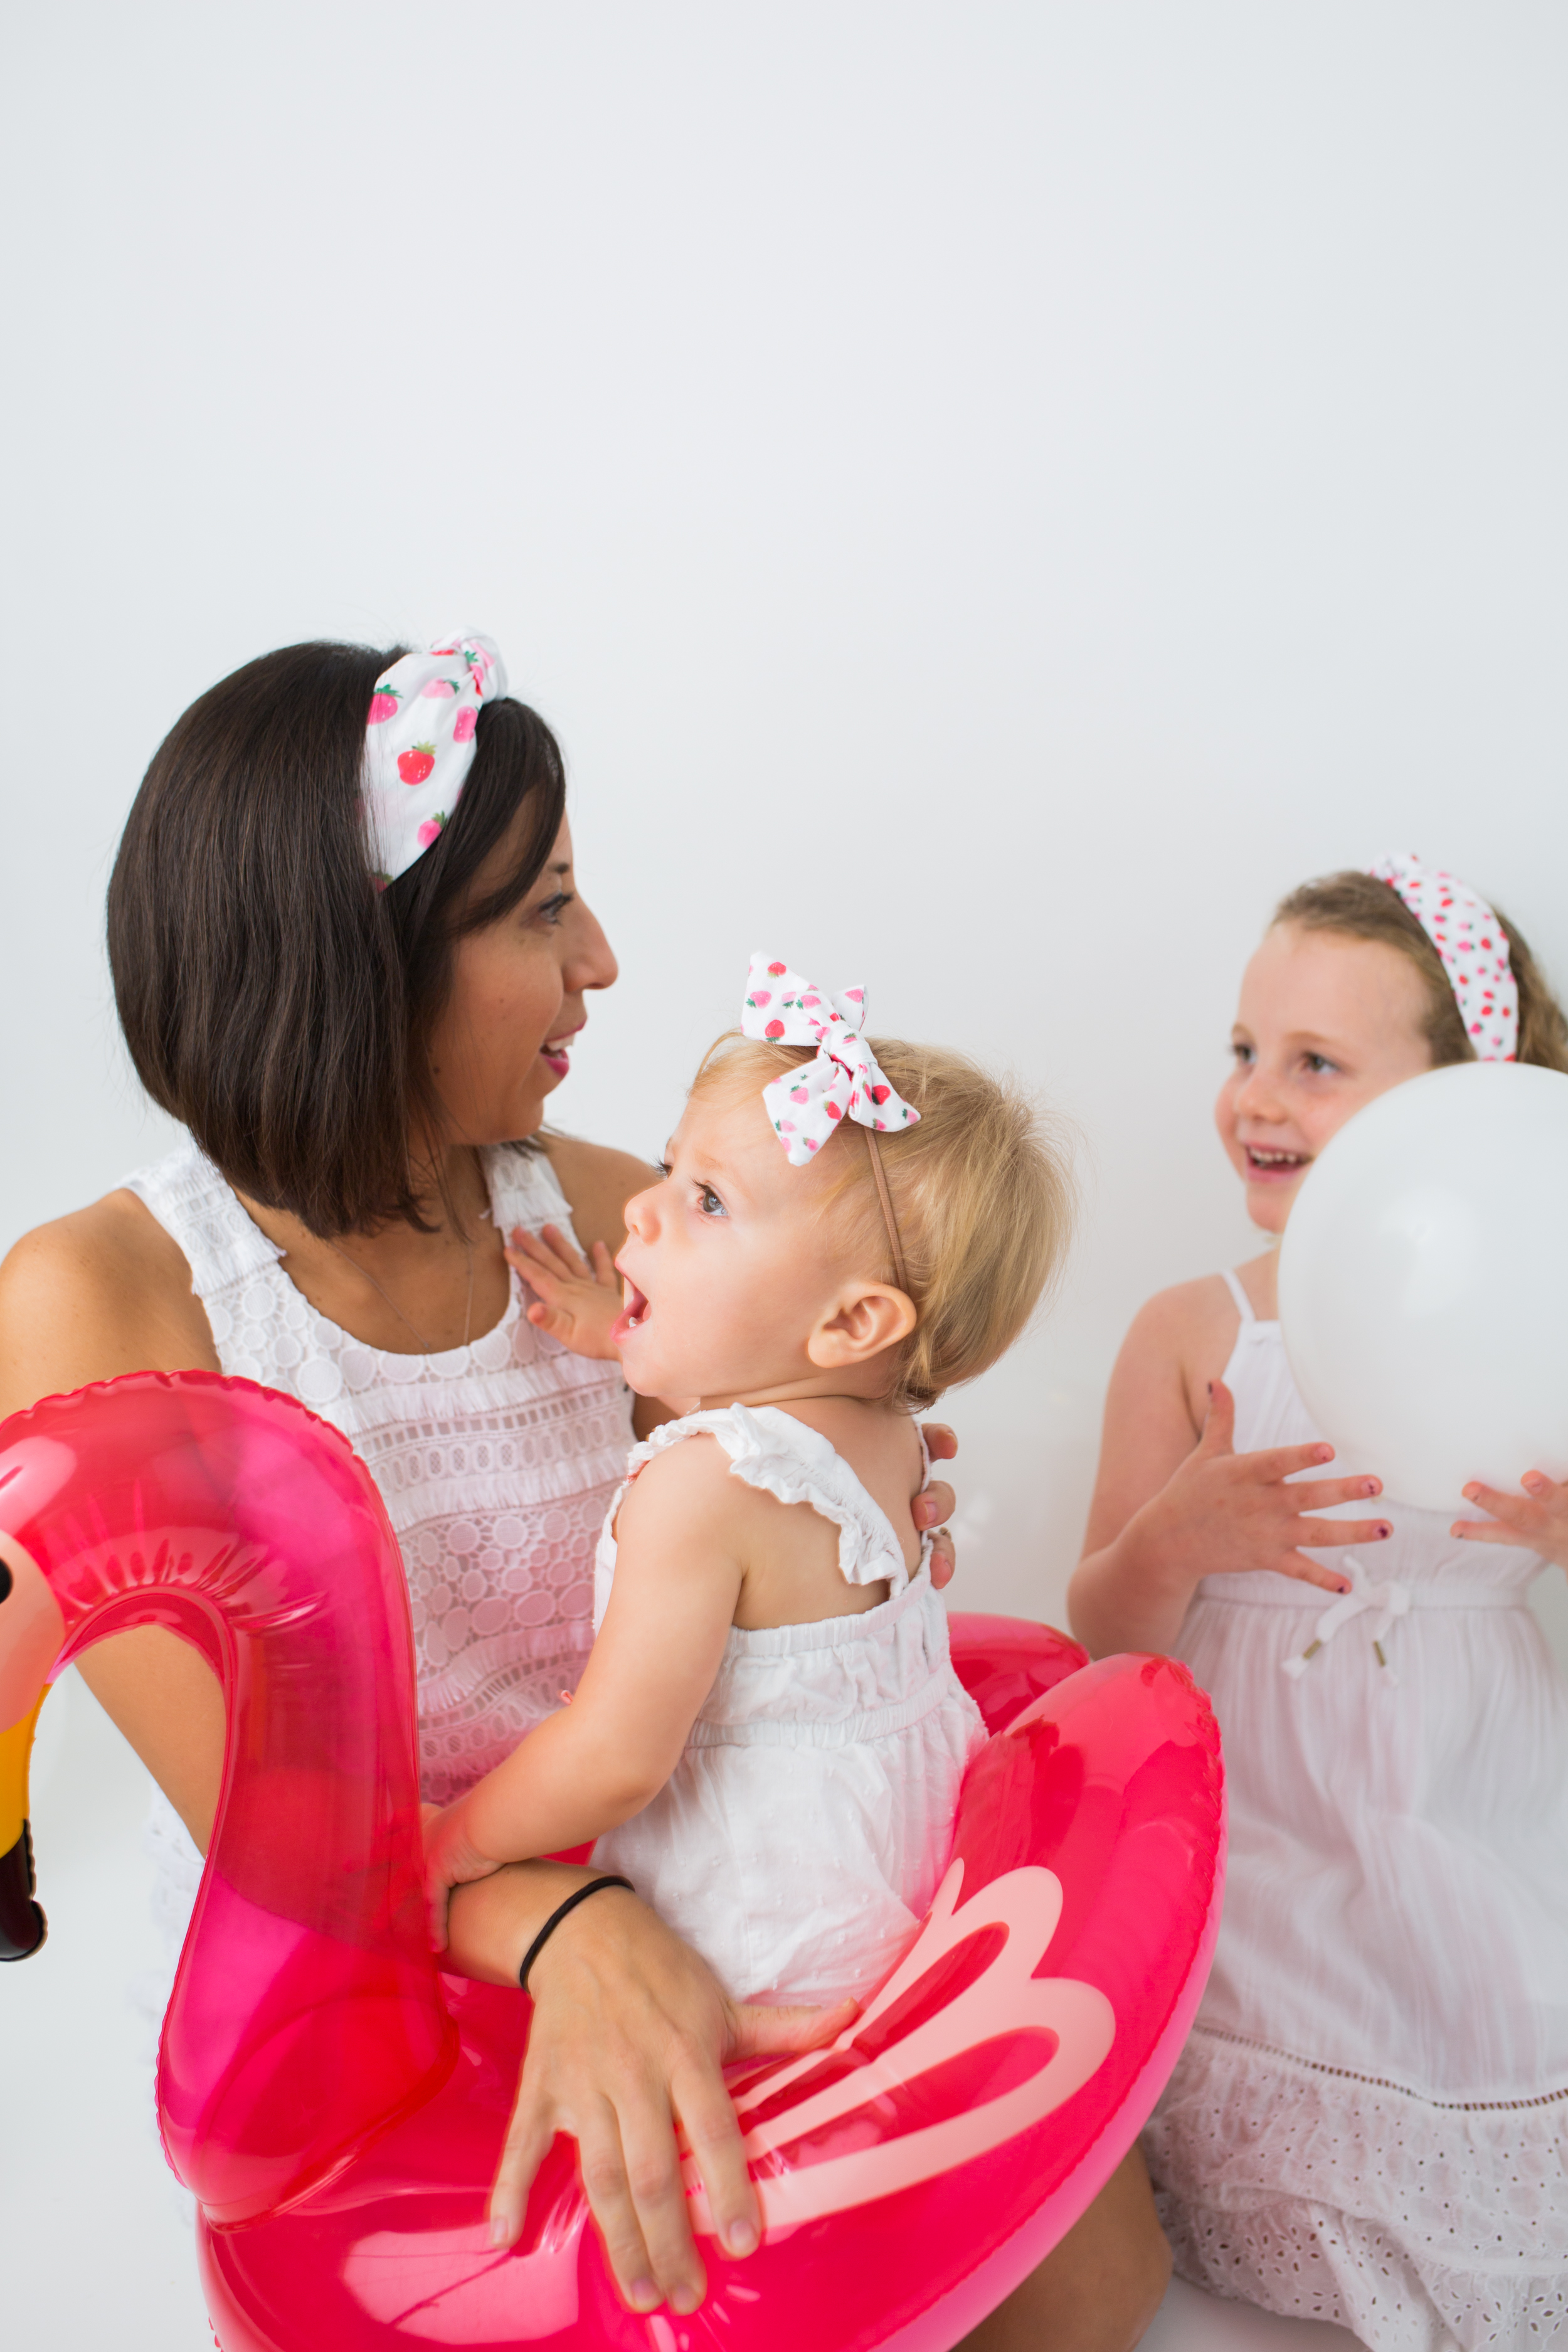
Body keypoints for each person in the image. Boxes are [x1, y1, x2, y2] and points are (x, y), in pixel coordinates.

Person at [0, 632, 1169, 2346]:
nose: (605, 959)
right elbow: (297, 1848)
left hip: (699, 1855)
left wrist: (857, 1483)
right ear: (364, 960)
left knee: (1085, 2277)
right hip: (416, 1955)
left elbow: (809, 1454)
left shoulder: (613, 1206)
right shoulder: (106, 1303)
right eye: (542, 907)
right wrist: (570, 1925)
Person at [1069, 856, 1568, 2350]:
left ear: (1460, 1108)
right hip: (1261, 1818)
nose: (1254, 1097)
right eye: (1244, 1052)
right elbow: (1097, 1634)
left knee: (1489, 2015)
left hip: (1462, 1793)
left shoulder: (1543, 1314)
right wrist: (1175, 1536)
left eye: (1314, 1064)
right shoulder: (1194, 1330)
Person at [426, 970, 1067, 2026]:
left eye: (708, 1200)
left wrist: (458, 1839)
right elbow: (756, 1389)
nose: (643, 1204)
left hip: (758, 1945)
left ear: (855, 1324)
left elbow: (614, 1757)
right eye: (673, 1167)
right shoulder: (885, 1437)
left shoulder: (697, 1489)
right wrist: (629, 1329)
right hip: (897, 1903)